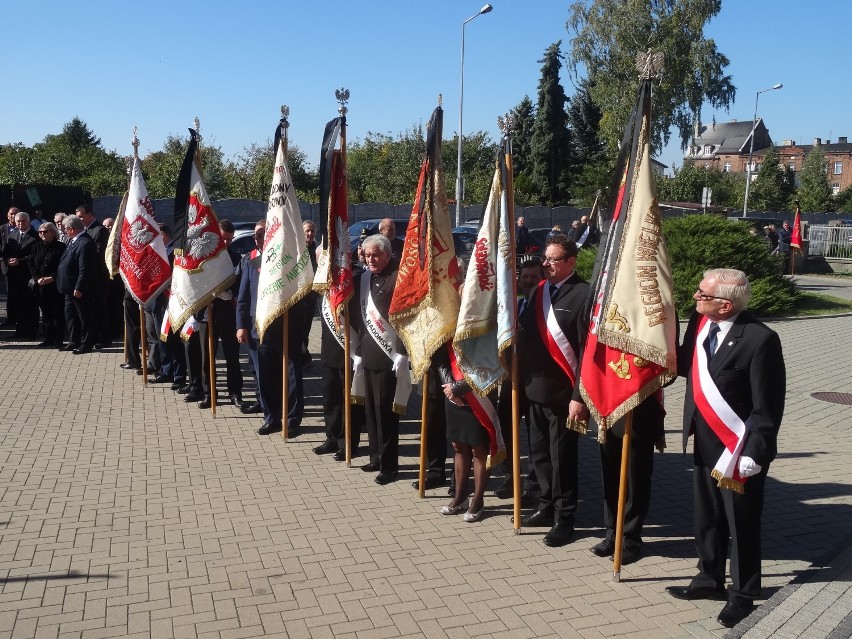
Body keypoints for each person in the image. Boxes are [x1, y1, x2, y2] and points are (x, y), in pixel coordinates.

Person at [665, 268, 785, 629]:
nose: (695, 298)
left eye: (701, 294)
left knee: (742, 523)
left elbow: (768, 405)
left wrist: (756, 453)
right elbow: (686, 366)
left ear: (725, 304)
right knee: (708, 517)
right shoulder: (701, 324)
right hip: (704, 440)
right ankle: (708, 579)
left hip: (740, 451)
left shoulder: (760, 339)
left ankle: (744, 594)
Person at [519, 233, 589, 547]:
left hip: (564, 396)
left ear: (570, 262)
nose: (545, 264)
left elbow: (588, 352)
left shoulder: (584, 294)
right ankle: (545, 506)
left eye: (552, 259)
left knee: (562, 459)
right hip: (533, 391)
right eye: (545, 258)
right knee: (539, 456)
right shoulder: (538, 292)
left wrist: (579, 397)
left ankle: (566, 517)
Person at [236, 220, 304, 436]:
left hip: (286, 327)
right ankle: (271, 418)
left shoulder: (289, 259)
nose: (259, 238)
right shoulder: (250, 261)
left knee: (291, 377)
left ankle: (292, 420)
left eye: (264, 233)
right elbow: (243, 297)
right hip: (260, 329)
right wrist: (241, 326)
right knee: (264, 377)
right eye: (256, 235)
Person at [350, 234, 406, 484]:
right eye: (367, 254)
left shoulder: (398, 278)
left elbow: (406, 319)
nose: (370, 259)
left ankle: (389, 465)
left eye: (376, 255)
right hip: (369, 354)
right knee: (370, 411)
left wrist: (403, 353)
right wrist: (358, 352)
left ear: (387, 254)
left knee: (386, 414)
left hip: (389, 356)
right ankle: (375, 457)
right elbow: (362, 322)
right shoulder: (366, 279)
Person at [589, 395, 666, 565]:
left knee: (636, 480)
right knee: (610, 477)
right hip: (608, 406)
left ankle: (630, 539)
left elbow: (668, 372)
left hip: (640, 410)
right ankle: (612, 534)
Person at [494, 258, 544, 502]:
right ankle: (512, 476)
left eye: (533, 277)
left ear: (541, 278)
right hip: (512, 379)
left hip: (536, 380)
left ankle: (534, 484)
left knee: (536, 435)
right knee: (507, 429)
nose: (528, 281)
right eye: (524, 277)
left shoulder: (546, 308)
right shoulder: (517, 307)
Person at [435, 342, 497, 523]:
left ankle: (478, 500)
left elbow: (490, 360)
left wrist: (459, 388)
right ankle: (460, 497)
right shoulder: (451, 319)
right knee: (458, 445)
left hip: (479, 392)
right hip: (452, 393)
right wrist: (450, 386)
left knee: (479, 448)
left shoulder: (485, 318)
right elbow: (440, 355)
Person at [197, 219, 244, 409]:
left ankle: (235, 392)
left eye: (230, 240)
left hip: (228, 314)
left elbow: (241, 287)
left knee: (232, 355)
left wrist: (228, 292)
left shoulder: (236, 258)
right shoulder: (203, 257)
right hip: (206, 313)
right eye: (224, 239)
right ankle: (210, 394)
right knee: (207, 356)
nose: (227, 244)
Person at [57, 215, 98, 354]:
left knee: (84, 316)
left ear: (72, 229)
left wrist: (79, 287)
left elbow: (85, 268)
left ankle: (86, 343)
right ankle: (73, 341)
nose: (65, 232)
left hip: (78, 288)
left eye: (66, 229)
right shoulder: (74, 241)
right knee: (70, 315)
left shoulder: (85, 242)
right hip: (69, 287)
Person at [75, 204, 111, 347]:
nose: (79, 220)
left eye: (81, 217)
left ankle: (105, 338)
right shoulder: (85, 231)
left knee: (101, 308)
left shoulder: (99, 230)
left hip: (99, 278)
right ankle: (95, 335)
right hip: (90, 278)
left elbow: (98, 254)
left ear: (90, 215)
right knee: (93, 309)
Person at [27, 222, 67, 348]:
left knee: (57, 312)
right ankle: (48, 338)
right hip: (41, 285)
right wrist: (37, 278)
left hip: (55, 285)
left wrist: (52, 277)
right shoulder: (36, 246)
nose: (42, 234)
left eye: (45, 232)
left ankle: (58, 339)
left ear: (53, 232)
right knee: (45, 313)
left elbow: (63, 265)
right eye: (40, 232)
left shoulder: (61, 247)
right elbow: (31, 263)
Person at [2, 211, 40, 339]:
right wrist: (8, 260)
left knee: (30, 305)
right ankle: (20, 331)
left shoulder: (35, 236)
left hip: (28, 276)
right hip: (14, 276)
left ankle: (32, 333)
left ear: (28, 221)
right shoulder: (12, 235)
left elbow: (35, 255)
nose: (20, 223)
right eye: (18, 221)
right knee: (18, 305)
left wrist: (20, 261)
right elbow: (5, 251)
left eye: (23, 221)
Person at [300, 219, 319, 367]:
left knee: (306, 327)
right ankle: (301, 355)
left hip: (311, 297)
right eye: (307, 230)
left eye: (312, 231)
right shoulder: (296, 249)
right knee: (297, 328)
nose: (310, 233)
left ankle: (303, 354)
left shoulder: (318, 250)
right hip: (297, 297)